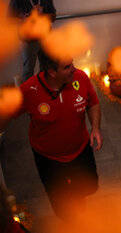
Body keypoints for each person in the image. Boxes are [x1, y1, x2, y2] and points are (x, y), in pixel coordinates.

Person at [0, 50, 103, 220]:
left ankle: (76, 197)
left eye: (72, 63)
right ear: (52, 72)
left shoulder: (81, 78)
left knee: (88, 186)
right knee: (60, 201)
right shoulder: (29, 90)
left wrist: (96, 129)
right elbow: (6, 114)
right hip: (48, 158)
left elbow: (92, 103)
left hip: (81, 148)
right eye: (67, 67)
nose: (74, 69)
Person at [7, 0, 56, 82]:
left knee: (48, 68)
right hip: (28, 40)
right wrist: (24, 19)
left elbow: (53, 16)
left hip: (46, 38)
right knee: (28, 71)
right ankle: (28, 92)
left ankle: (46, 90)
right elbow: (9, 20)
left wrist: (42, 16)